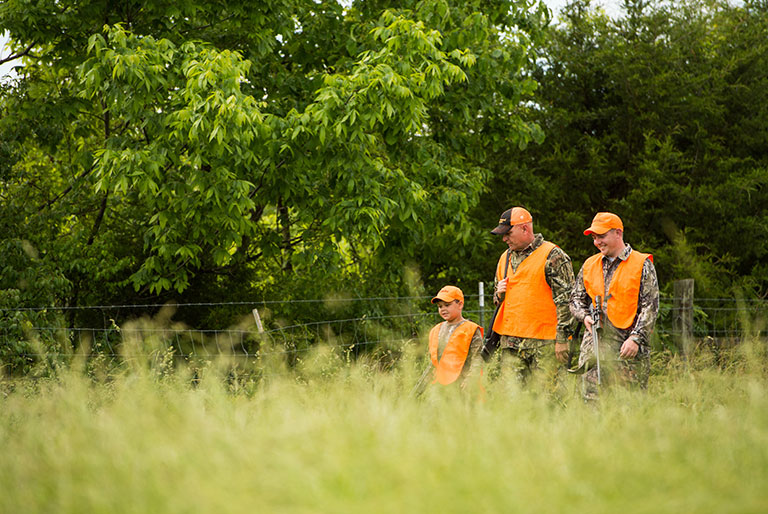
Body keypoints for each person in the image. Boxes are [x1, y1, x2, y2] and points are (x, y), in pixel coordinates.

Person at [569, 212, 659, 400]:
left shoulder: (641, 264)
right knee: (590, 403)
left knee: (628, 404)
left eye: (601, 236)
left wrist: (636, 338)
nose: (597, 242)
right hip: (594, 349)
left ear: (618, 233)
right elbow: (575, 300)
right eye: (594, 238)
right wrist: (584, 316)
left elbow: (650, 307)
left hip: (627, 350)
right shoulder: (589, 264)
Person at [489, 207, 576, 387]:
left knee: (547, 399)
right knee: (513, 401)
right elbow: (497, 300)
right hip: (510, 343)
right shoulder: (504, 258)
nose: (504, 239)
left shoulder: (553, 255)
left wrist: (562, 339)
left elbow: (567, 301)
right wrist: (498, 293)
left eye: (508, 233)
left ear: (525, 229)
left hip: (544, 344)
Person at [413, 285, 484, 395]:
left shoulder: (471, 329)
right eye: (440, 306)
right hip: (440, 387)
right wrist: (418, 390)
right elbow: (433, 363)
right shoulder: (436, 330)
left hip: (463, 386)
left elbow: (477, 359)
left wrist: (470, 380)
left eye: (447, 305)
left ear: (460, 304)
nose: (443, 309)